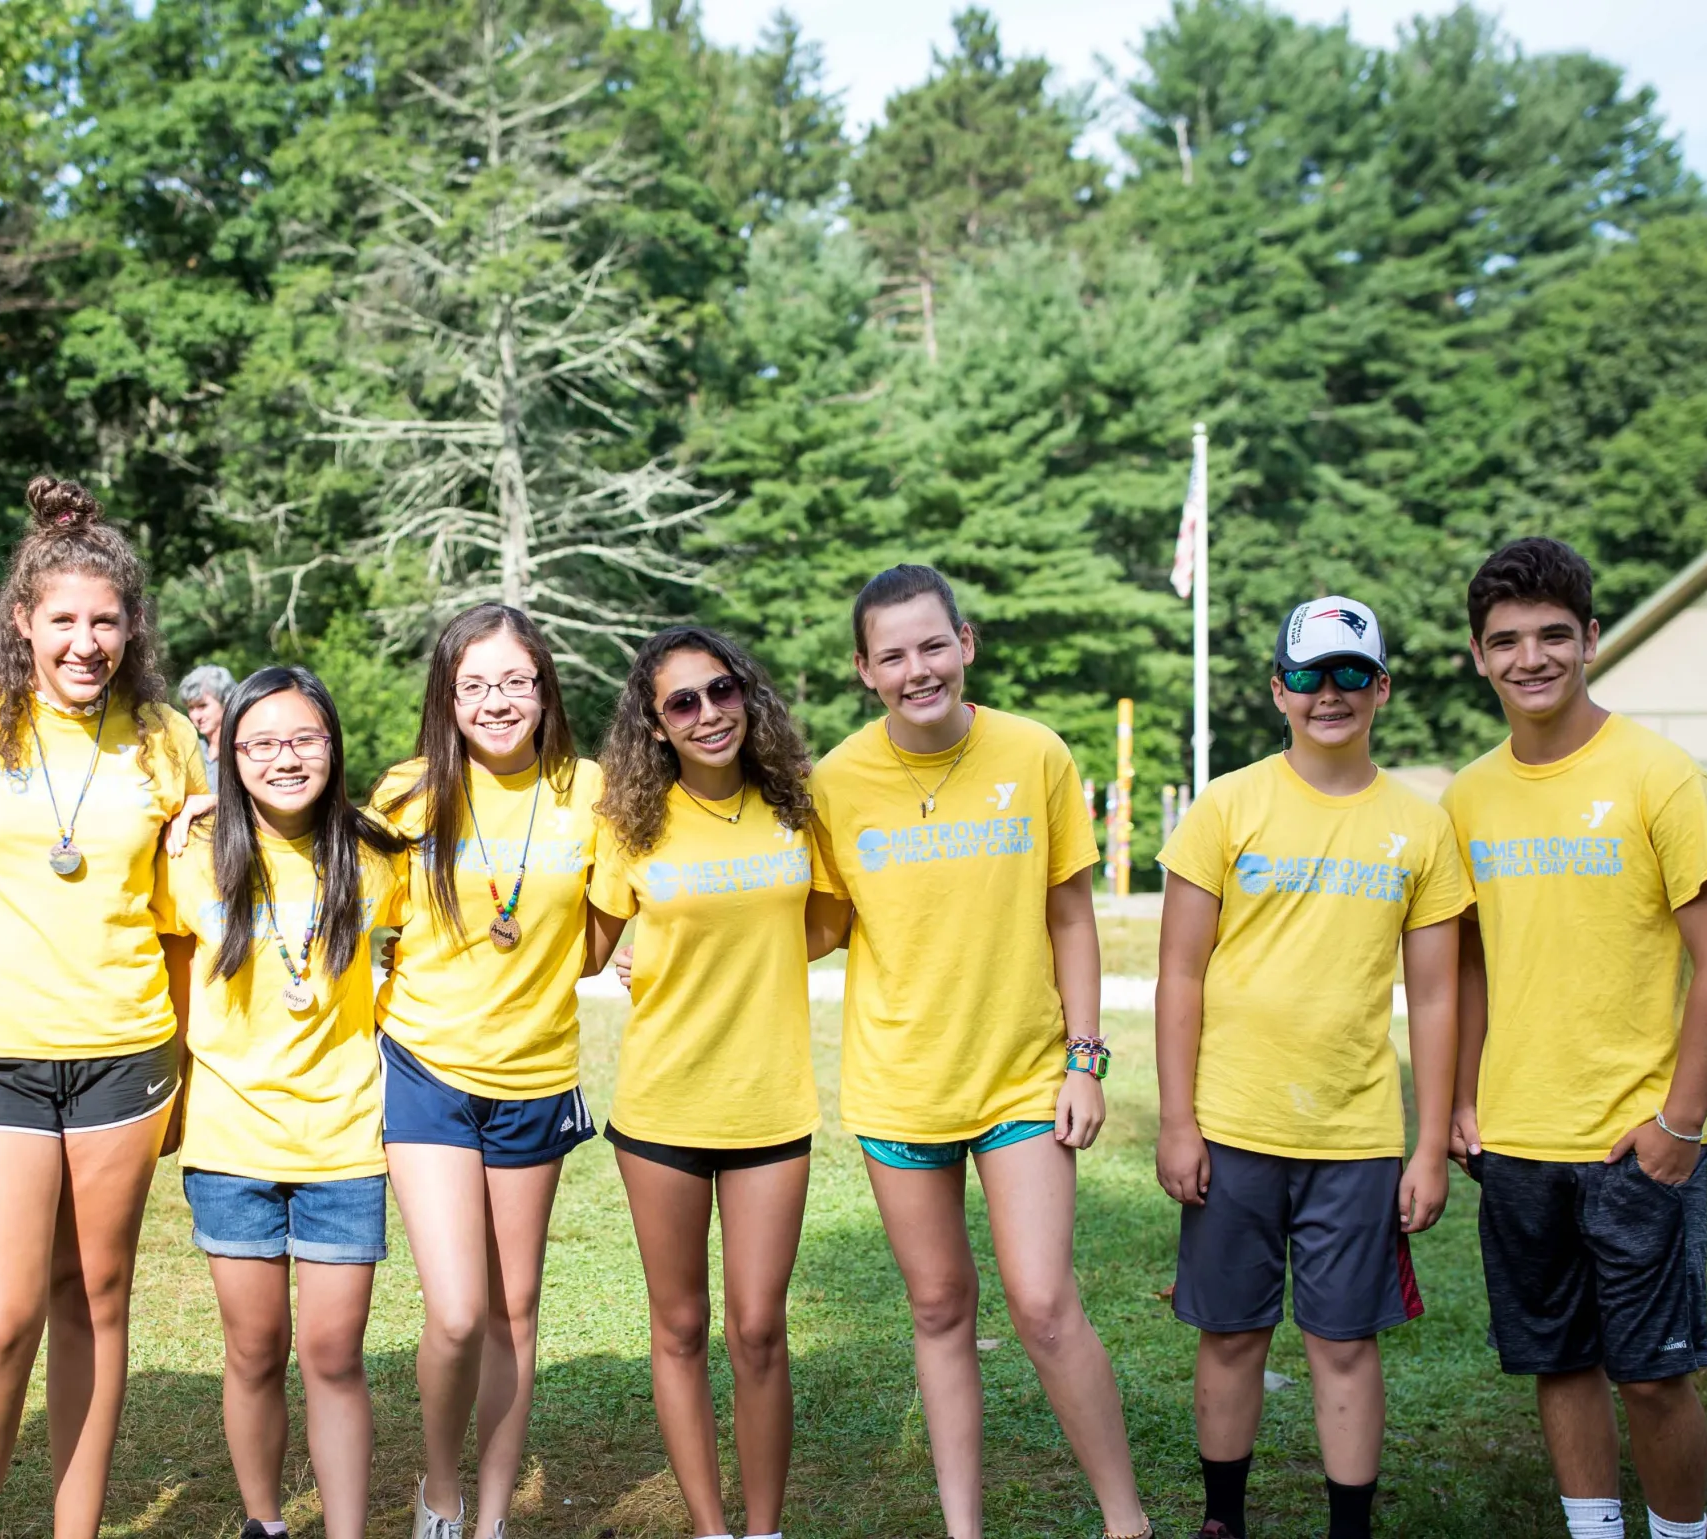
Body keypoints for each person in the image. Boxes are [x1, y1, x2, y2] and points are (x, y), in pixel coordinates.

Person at [0, 475, 211, 1539]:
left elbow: (181, 923)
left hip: (126, 1054)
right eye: (63, 620)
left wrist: (187, 1063)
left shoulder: (167, 738)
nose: (85, 642)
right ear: (21, 620)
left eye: (106, 622)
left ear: (131, 629)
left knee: (95, 1299)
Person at [806, 565, 1149, 1539]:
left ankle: (1128, 1522)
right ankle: (964, 1529)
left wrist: (1085, 1059)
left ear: (968, 643)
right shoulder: (836, 781)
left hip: (1025, 1079)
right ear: (864, 671)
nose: (919, 669)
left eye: (933, 645)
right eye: (894, 655)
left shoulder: (1034, 755)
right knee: (939, 1308)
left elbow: (1072, 919)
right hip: (900, 1085)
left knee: (1043, 1305)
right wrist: (691, 935)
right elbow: (821, 926)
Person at [1154, 596, 1465, 1539]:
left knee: (1342, 1340)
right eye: (1306, 676)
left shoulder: (1420, 826)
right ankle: (1223, 1519)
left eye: (1348, 675)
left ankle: (1349, 1528)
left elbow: (1439, 997)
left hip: (1356, 1133)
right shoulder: (1230, 804)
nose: (1327, 694)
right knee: (1235, 1331)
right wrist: (1177, 1120)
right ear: (1276, 691)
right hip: (1233, 1123)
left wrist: (1428, 1146)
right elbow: (1179, 971)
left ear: (1380, 687)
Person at [1445, 538, 1707, 1539]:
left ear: (1591, 639)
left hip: (1633, 1138)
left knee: (1653, 1379)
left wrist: (1680, 1123)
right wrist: (1465, 1100)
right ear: (1478, 656)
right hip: (1516, 1137)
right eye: (1506, 641)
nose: (1532, 658)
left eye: (1554, 634)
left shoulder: (1660, 776)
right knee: (1560, 1362)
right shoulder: (1469, 797)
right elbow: (1467, 962)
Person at [588, 625, 843, 1539]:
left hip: (771, 1103)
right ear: (654, 725)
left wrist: (736, 954)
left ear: (748, 694)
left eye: (722, 691)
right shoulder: (627, 822)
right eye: (682, 703)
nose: (708, 714)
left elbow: (825, 924)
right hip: (661, 1105)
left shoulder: (795, 808)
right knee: (681, 1326)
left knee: (759, 1329)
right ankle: (709, 1525)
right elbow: (588, 941)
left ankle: (763, 1527)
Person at [369, 604, 604, 1539]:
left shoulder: (591, 788)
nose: (497, 700)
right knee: (459, 1311)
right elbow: (320, 869)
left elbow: (603, 926)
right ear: (448, 695)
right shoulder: (409, 792)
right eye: (475, 684)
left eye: (515, 680)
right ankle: (439, 1490)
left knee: (514, 1308)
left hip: (539, 1075)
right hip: (426, 1065)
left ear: (545, 689)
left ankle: (493, 1515)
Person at [160, 665, 408, 1539]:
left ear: (333, 747)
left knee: (335, 1355)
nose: (284, 758)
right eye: (260, 743)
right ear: (229, 756)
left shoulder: (378, 856)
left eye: (304, 738)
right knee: (255, 1351)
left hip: (345, 1139)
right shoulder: (189, 852)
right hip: (230, 1141)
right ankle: (264, 1522)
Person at [180, 663, 235, 791]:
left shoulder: (242, 747)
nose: (196, 716)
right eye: (190, 708)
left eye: (202, 706)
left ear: (225, 701)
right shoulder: (192, 749)